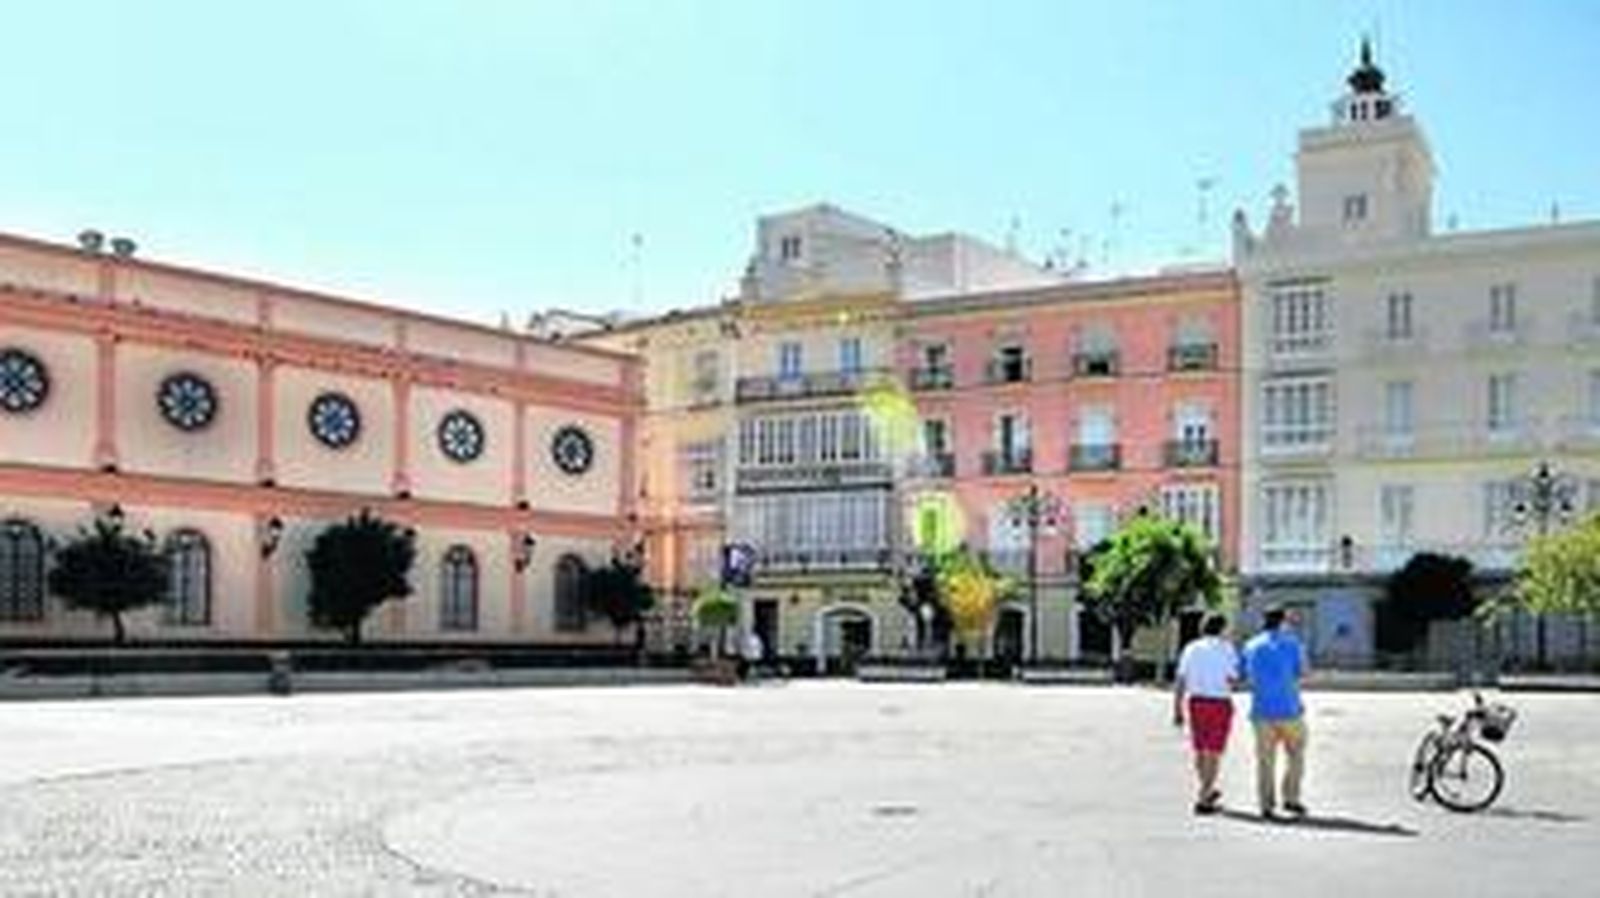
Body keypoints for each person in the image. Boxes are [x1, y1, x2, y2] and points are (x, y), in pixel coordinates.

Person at [1242, 605, 1309, 820]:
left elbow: (1245, 675)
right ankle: (1291, 798)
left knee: (1265, 760)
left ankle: (1266, 805)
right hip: (1290, 709)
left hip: (1261, 710)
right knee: (1296, 755)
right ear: (1283, 621)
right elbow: (1302, 673)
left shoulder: (1251, 645)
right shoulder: (1293, 644)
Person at [1173, 613, 1240, 815]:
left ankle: (1207, 789)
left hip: (1196, 702)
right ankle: (1204, 797)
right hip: (1219, 702)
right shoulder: (1227, 648)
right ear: (1222, 629)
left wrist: (1177, 708)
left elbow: (1181, 680)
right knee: (1214, 751)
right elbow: (1233, 679)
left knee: (1201, 749)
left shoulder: (1191, 648)